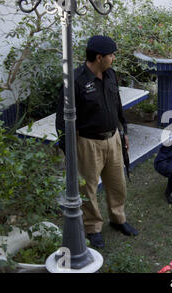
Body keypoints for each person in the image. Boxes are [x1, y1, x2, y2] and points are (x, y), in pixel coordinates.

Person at [55, 35, 138, 249]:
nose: (113, 58)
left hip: (112, 139)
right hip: (88, 144)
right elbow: (61, 120)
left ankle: (118, 219)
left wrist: (124, 130)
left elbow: (117, 103)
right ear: (99, 57)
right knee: (88, 189)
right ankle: (93, 228)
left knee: (117, 183)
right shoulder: (74, 81)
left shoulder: (111, 75)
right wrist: (69, 150)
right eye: (111, 55)